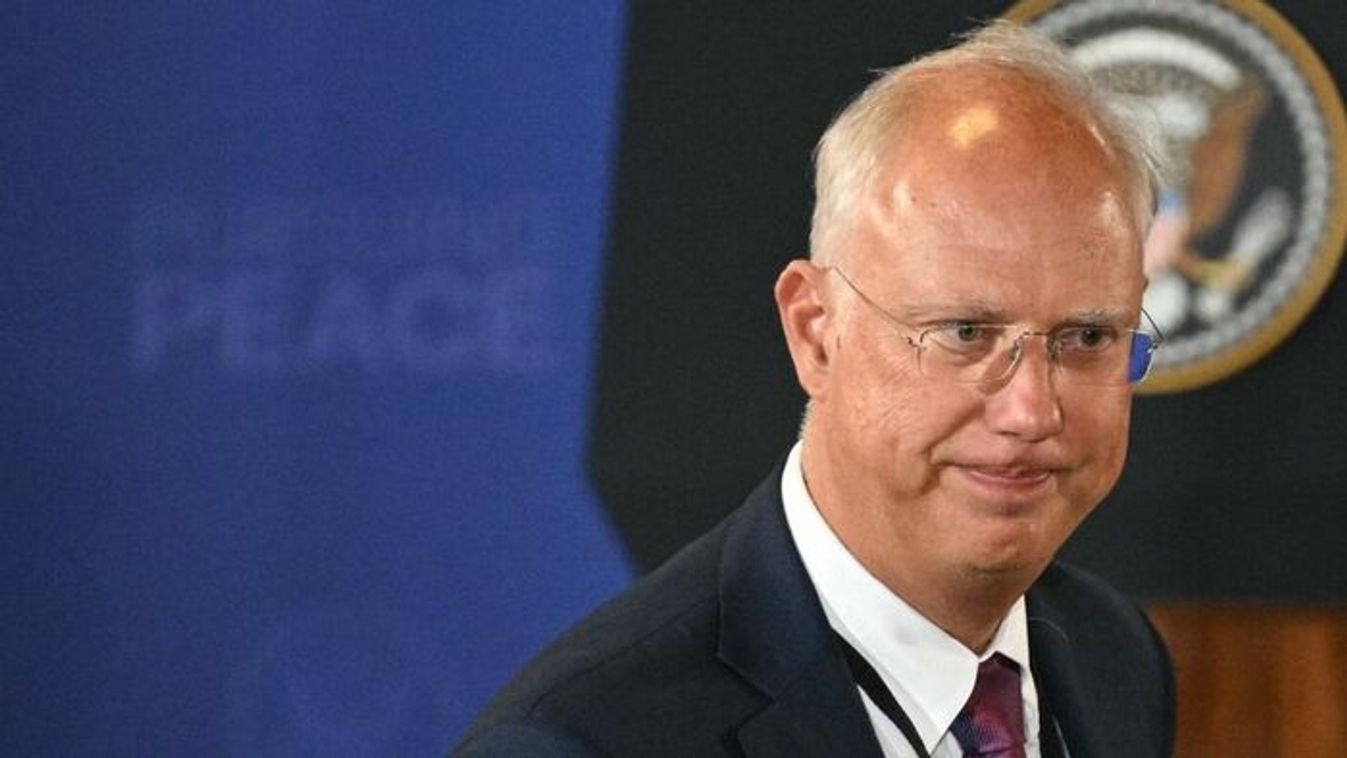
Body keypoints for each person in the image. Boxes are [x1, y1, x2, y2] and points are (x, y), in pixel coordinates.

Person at [455, 21, 1174, 758]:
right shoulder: (580, 741)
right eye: (965, 332)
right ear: (815, 331)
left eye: (1088, 338)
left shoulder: (1112, 653)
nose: (1031, 411)